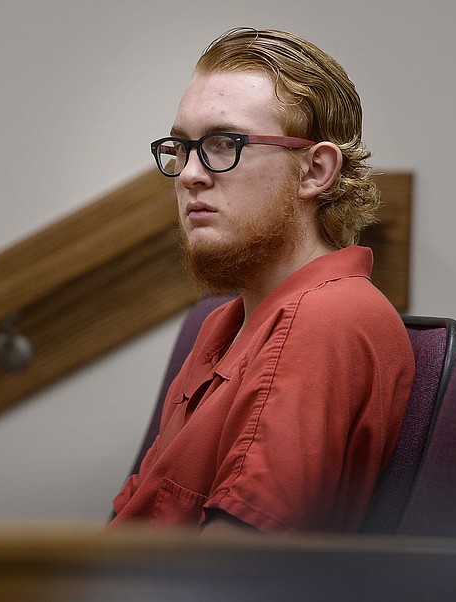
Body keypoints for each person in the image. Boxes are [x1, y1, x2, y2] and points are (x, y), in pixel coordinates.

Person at [107, 28, 414, 533]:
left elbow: (233, 575)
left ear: (315, 171)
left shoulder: (324, 321)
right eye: (181, 147)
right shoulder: (225, 322)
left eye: (223, 143)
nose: (189, 175)